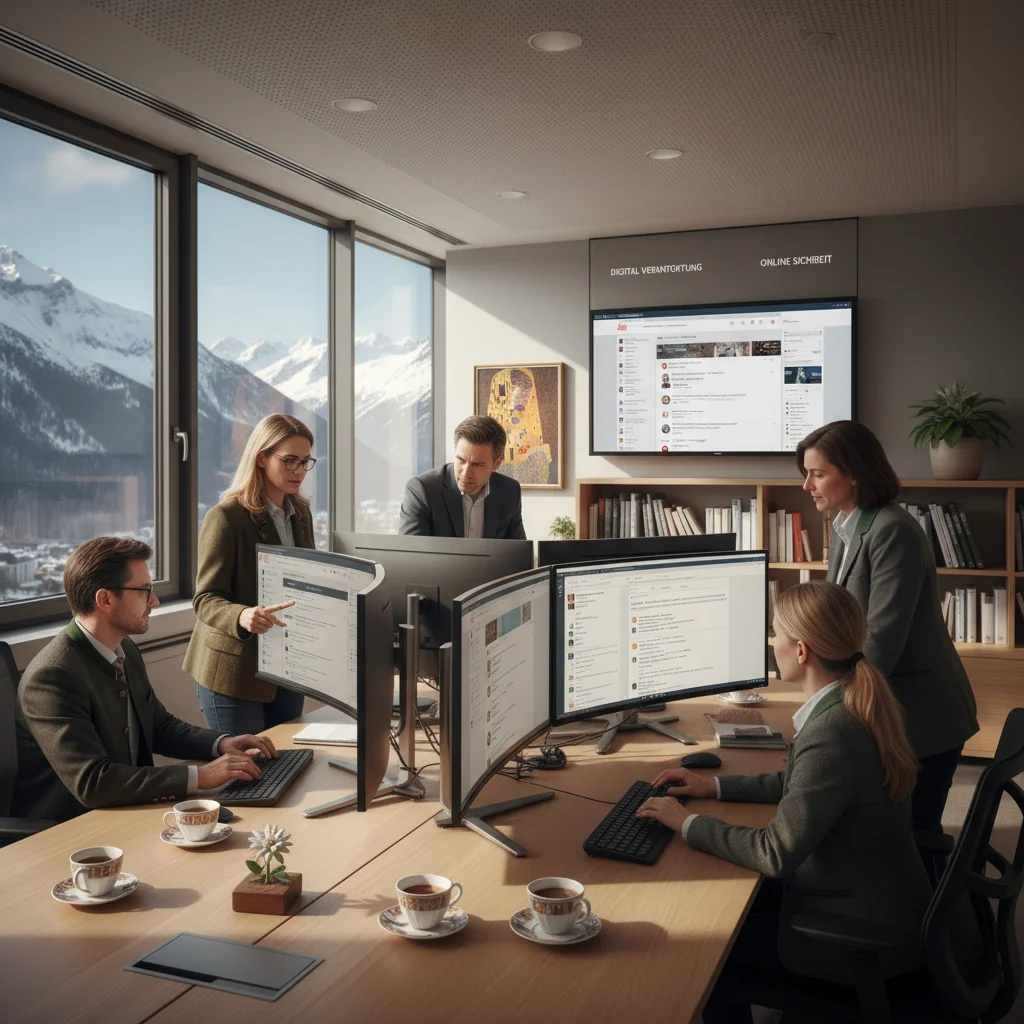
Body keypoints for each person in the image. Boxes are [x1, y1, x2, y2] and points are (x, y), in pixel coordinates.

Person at [637, 581, 931, 1006]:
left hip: (856, 936)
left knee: (704, 955)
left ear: (801, 651)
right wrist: (713, 785)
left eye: (775, 633)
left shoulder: (834, 732)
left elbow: (774, 853)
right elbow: (803, 783)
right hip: (876, 900)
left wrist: (686, 823)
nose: (770, 642)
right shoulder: (853, 699)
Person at [796, 419, 978, 831]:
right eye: (806, 473)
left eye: (818, 474)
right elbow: (837, 620)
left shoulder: (892, 530)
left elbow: (880, 641)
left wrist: (824, 709)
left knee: (903, 838)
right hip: (883, 706)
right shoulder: (848, 525)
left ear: (855, 473)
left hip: (920, 715)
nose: (807, 485)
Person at [13, 537, 275, 823]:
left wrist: (222, 744)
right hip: (71, 831)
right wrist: (201, 776)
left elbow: (158, 726)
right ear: (105, 599)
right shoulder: (52, 677)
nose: (154, 601)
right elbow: (93, 782)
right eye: (144, 591)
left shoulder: (123, 648)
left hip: (128, 809)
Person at [184, 413, 317, 733]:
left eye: (305, 461)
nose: (299, 470)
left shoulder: (300, 513)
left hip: (285, 665)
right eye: (289, 461)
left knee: (286, 763)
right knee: (247, 772)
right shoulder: (226, 517)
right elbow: (205, 598)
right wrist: (242, 615)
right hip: (234, 672)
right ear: (261, 458)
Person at [398, 415, 526, 539]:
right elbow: (411, 557)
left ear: (497, 463)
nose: (466, 473)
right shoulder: (422, 490)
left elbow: (518, 555)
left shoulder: (509, 491)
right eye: (461, 459)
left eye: (477, 464)